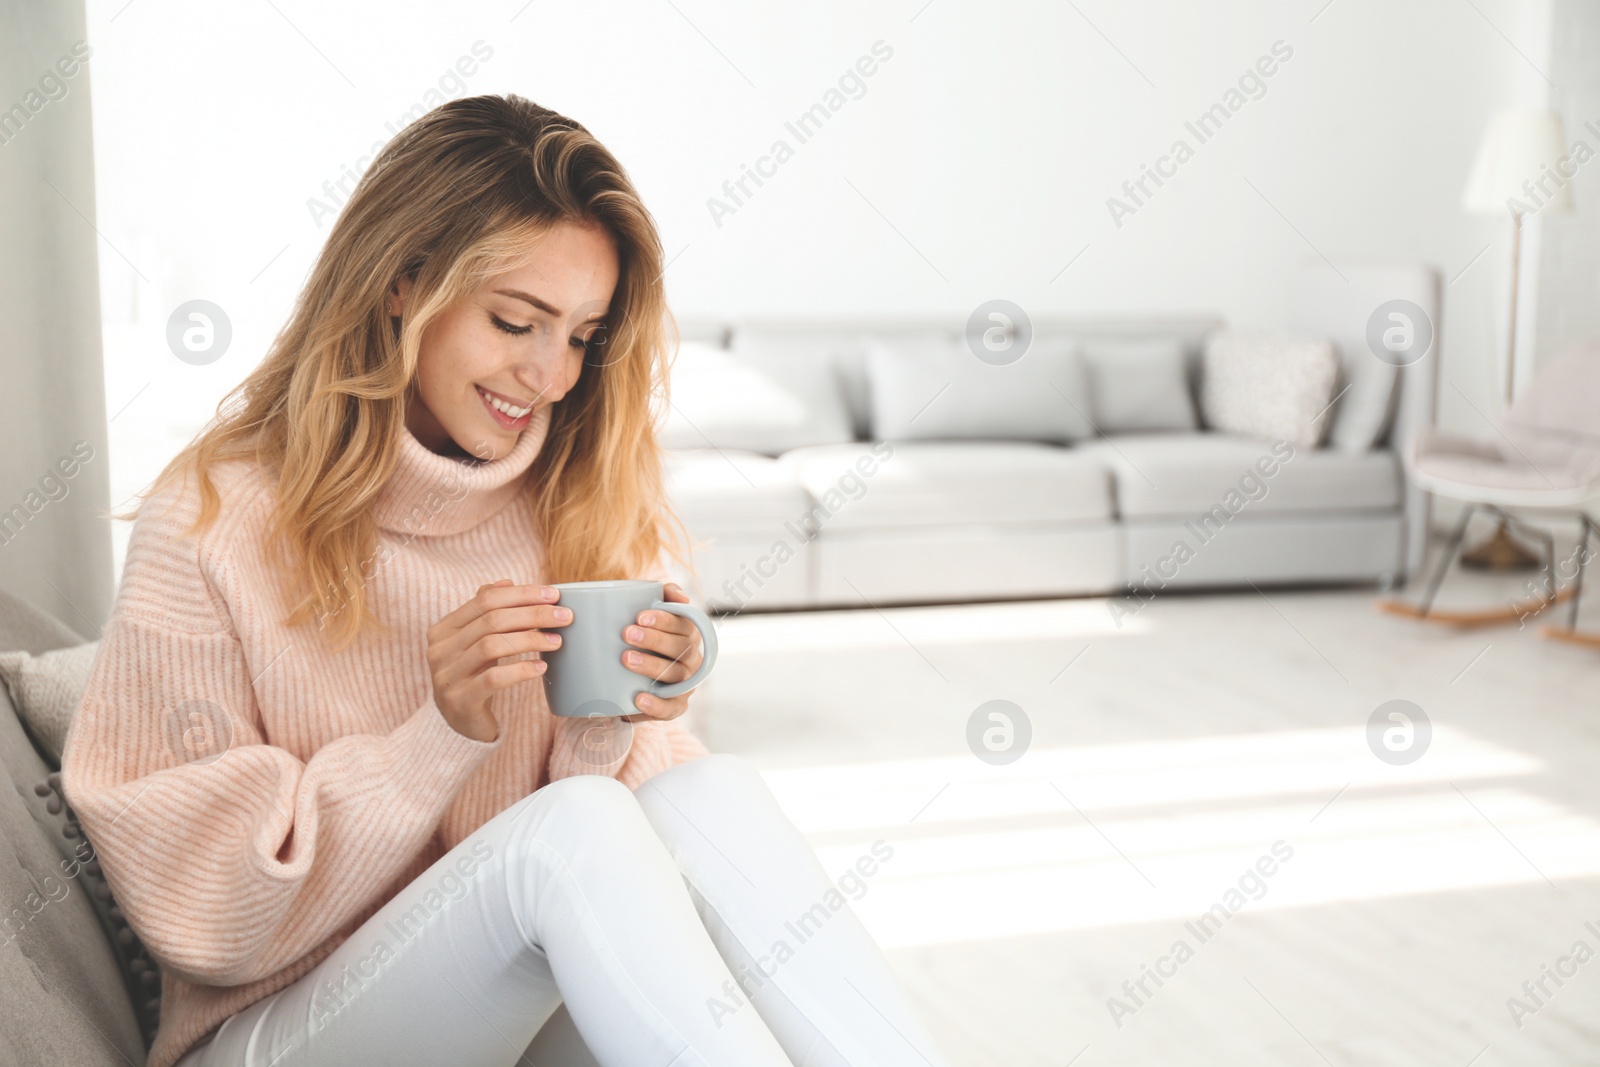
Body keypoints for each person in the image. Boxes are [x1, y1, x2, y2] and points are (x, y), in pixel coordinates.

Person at [60, 94, 949, 1067]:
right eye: (516, 320)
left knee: (710, 793)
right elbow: (204, 915)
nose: (549, 375)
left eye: (579, 334)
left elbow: (615, 852)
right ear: (401, 285)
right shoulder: (212, 518)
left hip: (509, 1014)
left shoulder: (575, 496)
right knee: (567, 830)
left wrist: (623, 712)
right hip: (271, 1029)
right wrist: (432, 738)